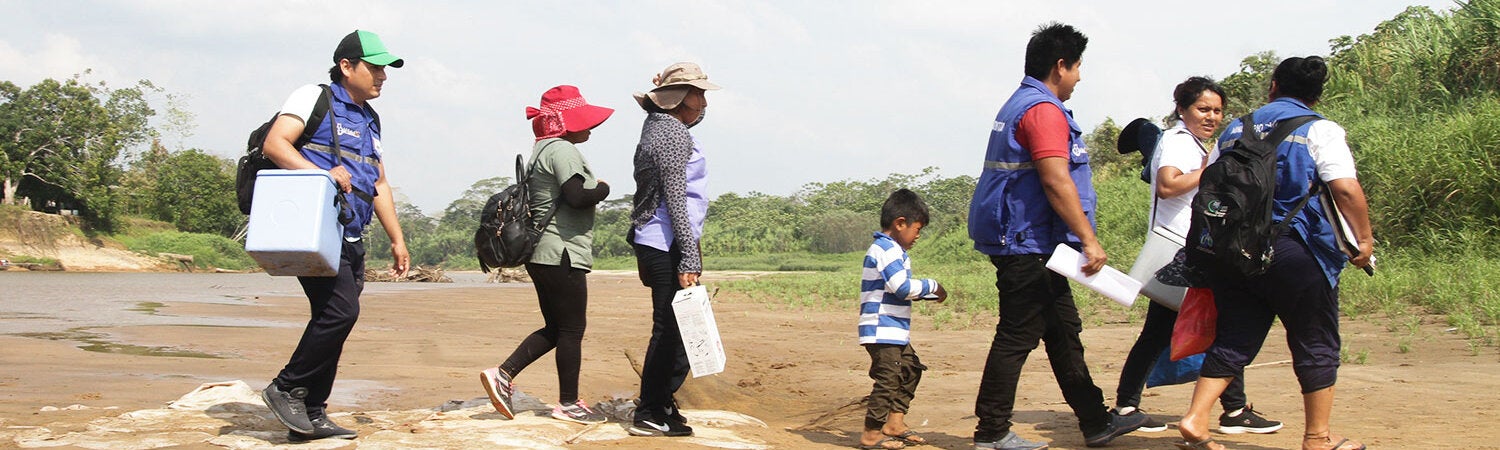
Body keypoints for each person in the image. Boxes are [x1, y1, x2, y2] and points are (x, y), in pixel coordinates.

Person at [1176, 56, 1374, 450]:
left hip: (1235, 254)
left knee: (1235, 336)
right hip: (1295, 252)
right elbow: (1346, 189)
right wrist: (1364, 242)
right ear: (1316, 95)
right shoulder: (1319, 129)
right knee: (1315, 341)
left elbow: (1210, 187)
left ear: (1273, 87)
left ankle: (1196, 418)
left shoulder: (1235, 129)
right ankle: (1317, 438)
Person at [966, 22, 1147, 449]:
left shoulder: (1019, 103)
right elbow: (1055, 179)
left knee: (1063, 331)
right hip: (1026, 243)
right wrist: (1089, 239)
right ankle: (991, 434)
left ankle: (1095, 422)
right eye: (1079, 67)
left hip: (1035, 243)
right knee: (1017, 335)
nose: (1080, 77)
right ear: (1060, 66)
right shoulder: (1042, 110)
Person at [258, 29, 409, 442]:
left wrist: (397, 238)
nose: (382, 76)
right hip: (315, 229)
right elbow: (276, 145)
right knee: (341, 313)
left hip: (351, 231)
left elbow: (378, 182)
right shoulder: (314, 97)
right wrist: (321, 173)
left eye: (384, 69)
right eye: (374, 67)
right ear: (346, 66)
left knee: (333, 318)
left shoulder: (369, 118)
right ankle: (287, 387)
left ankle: (310, 413)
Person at [1113, 77, 1283, 435]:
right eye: (1203, 109)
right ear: (1182, 109)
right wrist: (1211, 169)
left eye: (1217, 111)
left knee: (1206, 325)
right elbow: (1168, 184)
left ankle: (1231, 408)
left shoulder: (1191, 142)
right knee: (1193, 327)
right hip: (1180, 249)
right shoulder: (1178, 142)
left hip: (1192, 247)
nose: (1211, 117)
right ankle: (1130, 404)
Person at [480, 85, 614, 425]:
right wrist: (604, 188)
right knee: (571, 329)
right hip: (562, 251)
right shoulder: (563, 150)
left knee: (558, 327)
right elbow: (576, 196)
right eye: (584, 121)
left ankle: (503, 374)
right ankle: (568, 403)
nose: (590, 127)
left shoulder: (542, 148)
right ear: (567, 122)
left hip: (541, 253)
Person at [625, 62, 719, 438]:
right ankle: (649, 410)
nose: (704, 102)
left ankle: (662, 403)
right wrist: (689, 258)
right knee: (669, 330)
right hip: (665, 241)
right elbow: (676, 199)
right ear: (681, 97)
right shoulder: (671, 133)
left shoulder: (661, 126)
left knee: (676, 328)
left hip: (663, 239)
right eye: (700, 94)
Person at [856, 189, 948, 450]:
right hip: (881, 328)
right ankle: (871, 434)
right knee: (887, 379)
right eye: (917, 229)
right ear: (900, 223)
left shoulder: (891, 250)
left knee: (910, 370)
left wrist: (923, 295)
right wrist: (934, 285)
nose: (918, 236)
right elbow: (902, 287)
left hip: (893, 329)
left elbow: (897, 290)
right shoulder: (886, 249)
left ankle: (894, 423)